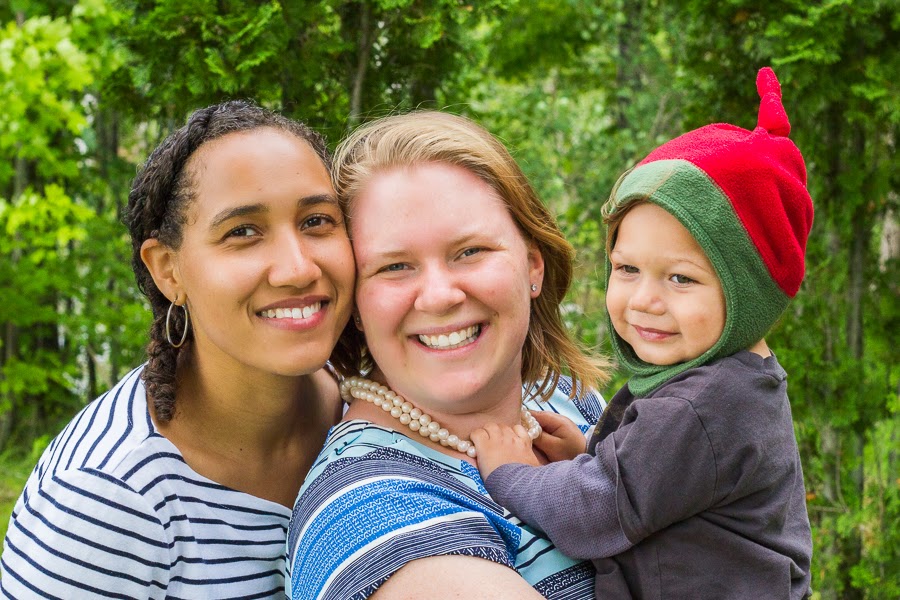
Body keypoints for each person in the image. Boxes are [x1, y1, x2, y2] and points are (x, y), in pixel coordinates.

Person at [471, 67, 815, 599]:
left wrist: (511, 471)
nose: (644, 301)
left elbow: (596, 515)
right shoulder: (730, 379)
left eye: (681, 278)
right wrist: (590, 454)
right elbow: (673, 486)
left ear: (749, 290)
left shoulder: (701, 405)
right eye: (627, 269)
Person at [0, 100, 360, 598]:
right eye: (243, 232)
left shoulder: (373, 403)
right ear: (168, 270)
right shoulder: (106, 498)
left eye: (317, 221)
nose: (297, 268)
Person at [285, 111, 610, 600]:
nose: (438, 296)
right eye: (395, 266)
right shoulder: (370, 508)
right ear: (355, 304)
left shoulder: (566, 401)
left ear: (532, 265)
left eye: (470, 251)